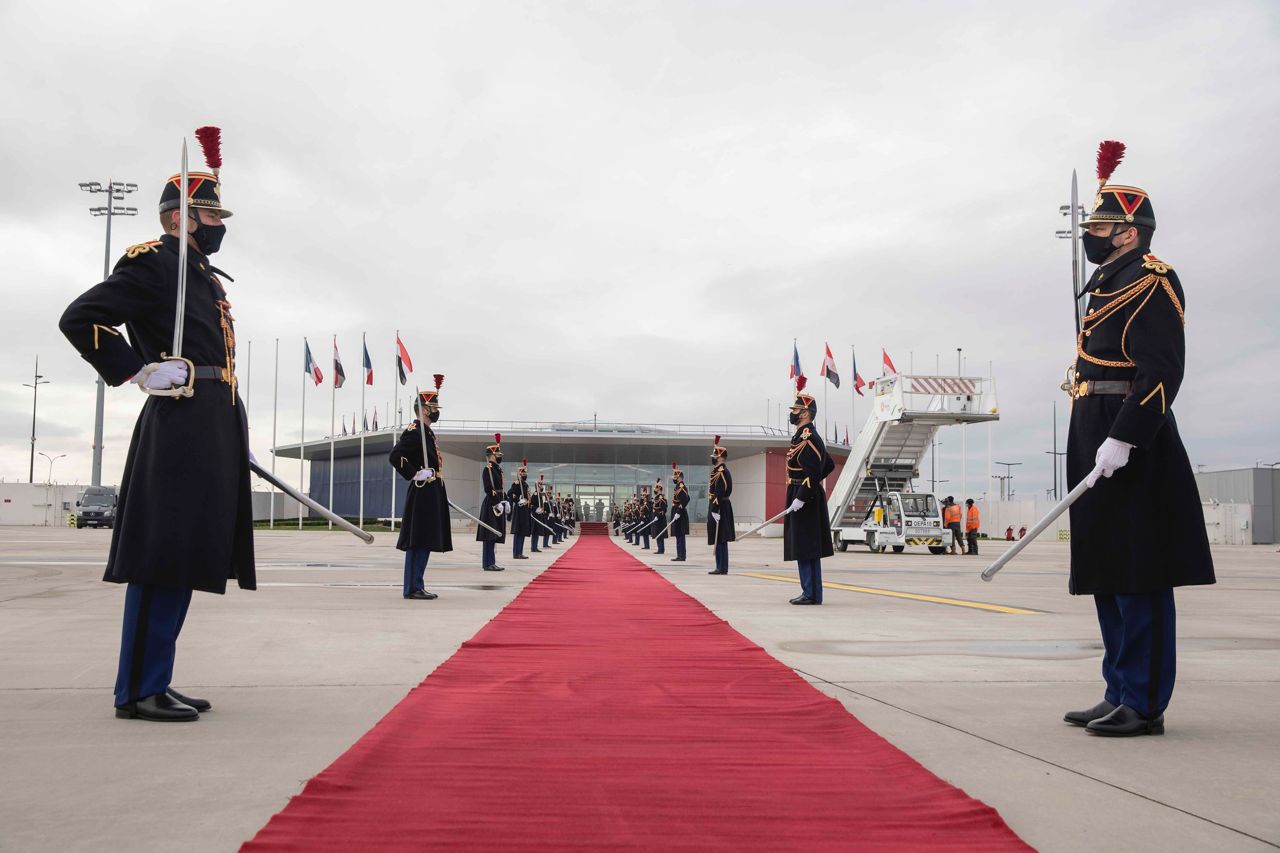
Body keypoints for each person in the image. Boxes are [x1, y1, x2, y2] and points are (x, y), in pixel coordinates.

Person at [58, 130, 252, 722]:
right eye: (210, 212)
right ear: (179, 219)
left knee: (188, 553)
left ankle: (157, 678)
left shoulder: (200, 274)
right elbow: (80, 318)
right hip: (178, 420)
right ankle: (136, 690)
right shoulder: (154, 265)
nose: (219, 222)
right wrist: (138, 372)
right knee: (161, 553)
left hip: (211, 420)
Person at [1062, 141, 1214, 737]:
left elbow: (1161, 371)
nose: (1091, 234)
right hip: (1093, 426)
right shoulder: (1105, 283)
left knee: (1137, 568)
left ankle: (1145, 701)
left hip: (1132, 435)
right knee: (1105, 565)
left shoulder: (1154, 280)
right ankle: (1118, 687)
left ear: (1128, 232)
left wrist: (1125, 437)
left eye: (1100, 226)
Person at [390, 380, 453, 600]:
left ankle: (417, 584)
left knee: (425, 539)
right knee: (418, 540)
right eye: (434, 408)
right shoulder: (415, 431)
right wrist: (415, 472)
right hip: (422, 489)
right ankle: (412, 587)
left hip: (431, 491)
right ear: (425, 409)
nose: (436, 412)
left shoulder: (427, 432)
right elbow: (395, 456)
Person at [782, 378, 836, 605]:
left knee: (806, 546)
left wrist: (803, 495)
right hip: (802, 492)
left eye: (795, 410)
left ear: (805, 413)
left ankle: (810, 593)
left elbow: (815, 472)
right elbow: (829, 464)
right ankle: (812, 592)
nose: (792, 413)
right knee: (806, 546)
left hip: (805, 497)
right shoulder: (802, 437)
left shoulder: (809, 438)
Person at [477, 434, 507, 571]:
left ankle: (492, 561)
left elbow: (501, 488)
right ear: (493, 455)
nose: (500, 456)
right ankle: (487, 563)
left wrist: (505, 501)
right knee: (490, 534)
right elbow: (489, 488)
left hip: (498, 501)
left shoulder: (497, 469)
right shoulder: (488, 469)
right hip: (491, 504)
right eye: (498, 454)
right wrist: (496, 502)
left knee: (495, 534)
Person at [707, 435, 735, 574]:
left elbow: (720, 491)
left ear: (720, 457)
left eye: (714, 456)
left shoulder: (722, 472)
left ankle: (721, 567)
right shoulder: (718, 471)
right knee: (719, 538)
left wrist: (715, 509)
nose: (712, 458)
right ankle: (721, 566)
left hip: (720, 506)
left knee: (721, 538)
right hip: (718, 506)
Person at [507, 459, 533, 559]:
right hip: (519, 509)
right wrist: (518, 500)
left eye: (525, 474)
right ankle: (516, 553)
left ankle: (520, 552)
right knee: (518, 531)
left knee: (522, 531)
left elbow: (528, 497)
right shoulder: (517, 483)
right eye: (524, 474)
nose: (525, 476)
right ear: (520, 475)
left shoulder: (525, 485)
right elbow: (510, 494)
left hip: (525, 510)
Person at [670, 463, 690, 562]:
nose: (674, 478)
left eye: (675, 476)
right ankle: (679, 555)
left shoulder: (681, 487)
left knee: (680, 535)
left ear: (679, 477)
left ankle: (682, 556)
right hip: (677, 512)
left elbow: (685, 500)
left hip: (680, 514)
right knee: (678, 535)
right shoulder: (678, 487)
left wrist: (678, 511)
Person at [653, 480, 668, 555]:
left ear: (659, 489)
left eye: (656, 488)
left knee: (660, 534)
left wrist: (658, 516)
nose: (655, 490)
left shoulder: (662, 499)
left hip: (660, 520)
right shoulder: (656, 498)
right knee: (657, 534)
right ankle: (659, 548)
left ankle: (661, 549)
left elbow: (663, 510)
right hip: (656, 519)